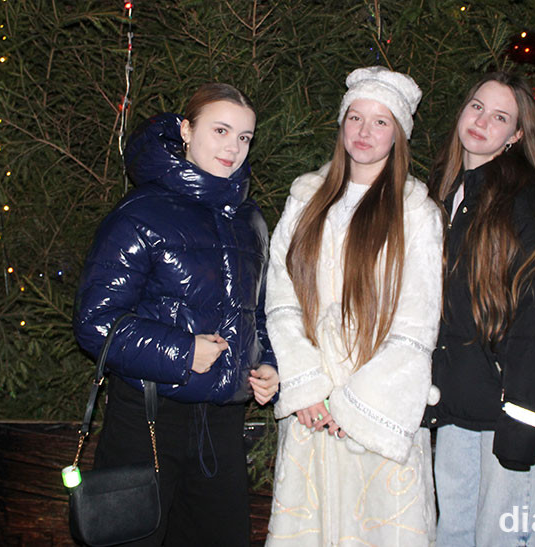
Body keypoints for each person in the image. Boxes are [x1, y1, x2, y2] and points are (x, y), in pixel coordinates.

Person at [73, 82, 279, 546]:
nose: (233, 147)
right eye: (220, 130)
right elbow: (95, 322)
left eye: (244, 137)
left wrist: (265, 364)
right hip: (147, 417)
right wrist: (181, 351)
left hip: (221, 426)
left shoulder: (249, 220)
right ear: (186, 130)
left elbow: (258, 313)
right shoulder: (140, 213)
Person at [264, 66, 443, 546]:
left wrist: (354, 406)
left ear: (399, 134)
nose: (365, 131)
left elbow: (416, 322)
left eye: (381, 121)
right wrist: (307, 386)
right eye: (355, 117)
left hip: (374, 412)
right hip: (312, 411)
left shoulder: (416, 213)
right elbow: (281, 293)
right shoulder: (306, 198)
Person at [423, 71, 535, 547]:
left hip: (508, 414)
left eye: (500, 117)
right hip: (457, 409)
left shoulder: (525, 202)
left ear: (516, 135)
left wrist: (524, 420)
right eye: (477, 107)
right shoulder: (444, 193)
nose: (482, 121)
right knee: (453, 535)